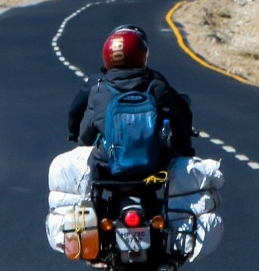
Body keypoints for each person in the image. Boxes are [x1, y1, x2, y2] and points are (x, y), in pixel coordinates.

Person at [68, 25, 195, 171]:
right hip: (154, 163)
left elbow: (85, 130)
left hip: (107, 163)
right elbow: (179, 122)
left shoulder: (98, 87)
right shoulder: (158, 85)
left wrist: (79, 141)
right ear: (142, 54)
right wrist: (186, 151)